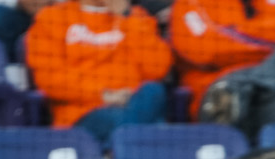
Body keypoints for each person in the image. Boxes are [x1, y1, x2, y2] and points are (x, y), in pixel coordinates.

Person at [169, 0, 275, 139]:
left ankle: (255, 82)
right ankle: (262, 80)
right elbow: (204, 49)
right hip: (219, 96)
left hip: (266, 88)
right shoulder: (190, 3)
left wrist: (234, 33)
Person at [24, 0, 171, 147]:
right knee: (147, 126)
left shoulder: (136, 16)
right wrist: (103, 95)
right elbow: (49, 79)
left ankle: (117, 149)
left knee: (154, 91)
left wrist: (126, 16)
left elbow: (157, 69)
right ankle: (123, 147)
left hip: (133, 102)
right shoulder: (52, 17)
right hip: (83, 113)